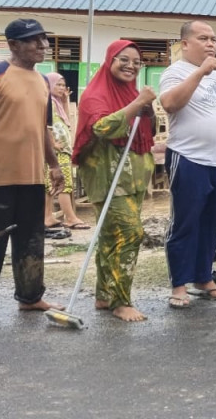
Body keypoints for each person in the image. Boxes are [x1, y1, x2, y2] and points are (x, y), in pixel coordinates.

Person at [0, 18, 65, 327]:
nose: (42, 46)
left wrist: (53, 165)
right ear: (13, 45)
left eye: (43, 40)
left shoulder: (41, 82)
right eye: (33, 41)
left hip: (32, 176)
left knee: (31, 239)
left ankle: (30, 297)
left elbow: (43, 128)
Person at [72, 40, 156, 322]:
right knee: (131, 233)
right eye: (124, 59)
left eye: (136, 61)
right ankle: (121, 301)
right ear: (109, 61)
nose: (131, 65)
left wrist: (145, 108)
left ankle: (104, 294)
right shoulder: (95, 94)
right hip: (108, 177)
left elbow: (145, 132)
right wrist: (137, 103)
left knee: (110, 237)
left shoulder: (130, 93)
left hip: (132, 177)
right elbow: (101, 127)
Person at [159, 20, 216, 308]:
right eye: (203, 38)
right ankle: (179, 285)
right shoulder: (175, 72)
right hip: (188, 158)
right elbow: (169, 103)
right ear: (185, 44)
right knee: (185, 222)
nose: (211, 44)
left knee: (213, 222)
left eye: (213, 39)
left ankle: (203, 278)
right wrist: (200, 72)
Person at [43, 72, 89, 231]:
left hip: (62, 149)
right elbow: (46, 124)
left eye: (63, 85)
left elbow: (67, 121)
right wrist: (52, 143)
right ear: (49, 85)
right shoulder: (48, 102)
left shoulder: (56, 103)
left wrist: (65, 99)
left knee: (50, 185)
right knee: (64, 185)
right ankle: (70, 217)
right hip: (56, 150)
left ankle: (47, 216)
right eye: (58, 84)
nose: (62, 88)